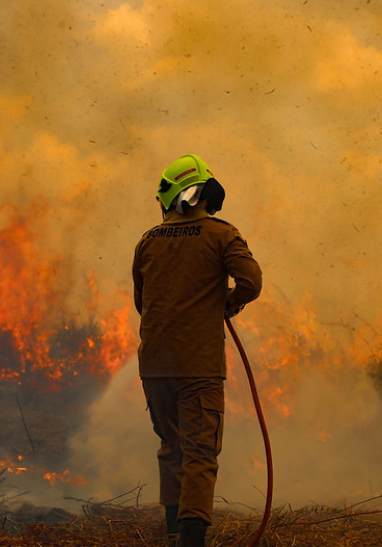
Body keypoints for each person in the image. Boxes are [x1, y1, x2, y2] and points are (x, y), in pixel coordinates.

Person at [132, 154, 263, 547]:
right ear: (206, 194)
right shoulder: (221, 235)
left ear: (169, 197)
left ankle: (174, 533)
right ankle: (191, 542)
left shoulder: (147, 241)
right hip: (198, 367)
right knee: (199, 452)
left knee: (171, 447)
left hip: (154, 366)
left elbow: (144, 303)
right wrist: (228, 300)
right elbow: (251, 282)